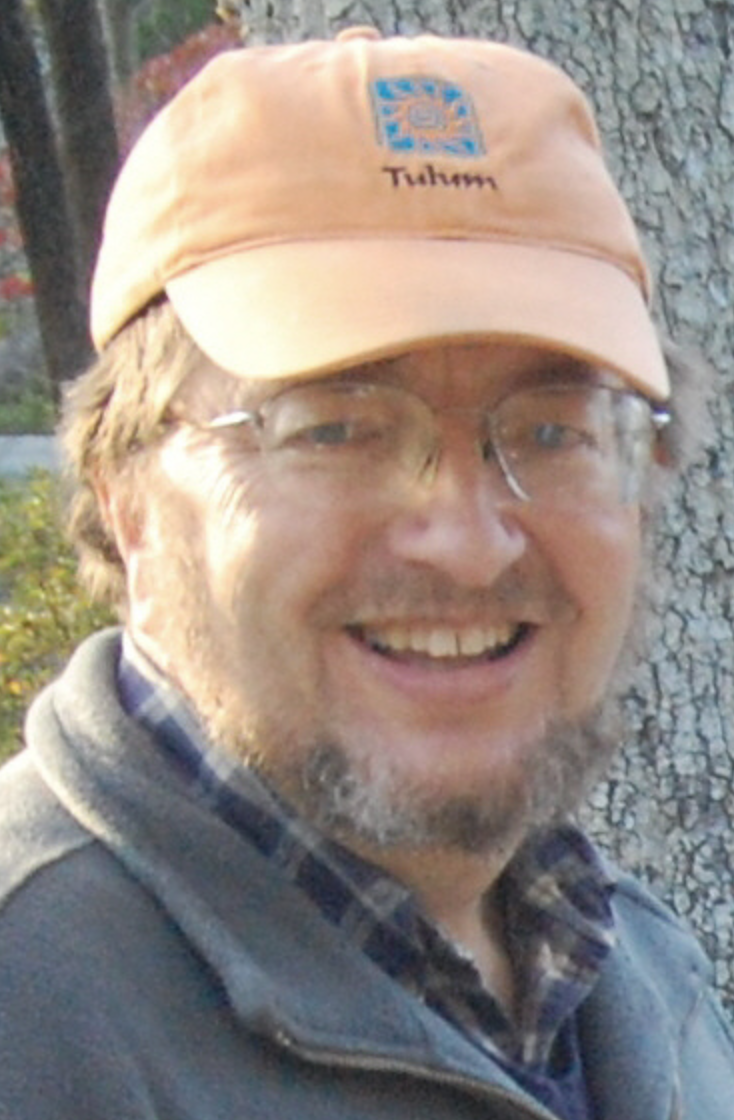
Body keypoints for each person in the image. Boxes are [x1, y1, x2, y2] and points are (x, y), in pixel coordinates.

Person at [0, 26, 731, 1120]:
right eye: (335, 430)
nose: (467, 540)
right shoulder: (38, 1018)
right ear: (130, 501)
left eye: (550, 430)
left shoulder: (634, 975)